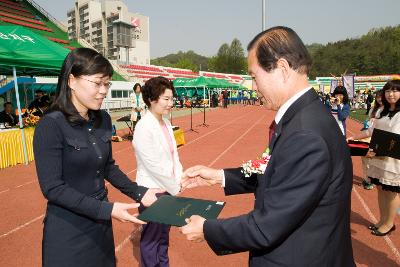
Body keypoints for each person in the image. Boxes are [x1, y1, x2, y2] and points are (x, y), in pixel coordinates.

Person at [180, 26, 355, 267]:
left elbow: (267, 226)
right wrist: (220, 177)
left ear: (282, 69)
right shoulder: (306, 116)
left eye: (254, 76)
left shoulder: (305, 133)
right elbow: (277, 173)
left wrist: (208, 230)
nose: (254, 87)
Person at [33, 48, 163, 267]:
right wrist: (107, 209)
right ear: (72, 80)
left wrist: (140, 193)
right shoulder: (51, 125)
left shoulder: (103, 118)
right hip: (68, 230)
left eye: (107, 84)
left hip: (100, 226)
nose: (104, 91)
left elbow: (108, 167)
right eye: (97, 83)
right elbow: (52, 188)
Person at [132, 76, 183, 267]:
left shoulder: (166, 123)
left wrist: (179, 177)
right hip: (152, 191)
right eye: (166, 99)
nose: (171, 103)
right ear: (152, 99)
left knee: (163, 235)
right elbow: (153, 165)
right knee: (151, 238)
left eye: (172, 99)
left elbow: (174, 155)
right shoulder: (143, 127)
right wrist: (175, 185)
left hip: (168, 188)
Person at [364, 80, 400, 236]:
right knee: (380, 189)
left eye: (395, 91)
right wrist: (357, 141)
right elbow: (372, 132)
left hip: (394, 160)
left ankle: (389, 223)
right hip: (378, 156)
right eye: (388, 91)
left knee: (391, 192)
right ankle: (382, 219)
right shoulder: (381, 111)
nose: (391, 94)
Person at [348, 90, 384, 190]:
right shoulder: (373, 109)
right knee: (365, 159)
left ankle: (375, 179)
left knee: (377, 161)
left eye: (381, 96)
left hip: (379, 140)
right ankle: (367, 179)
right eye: (378, 97)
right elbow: (369, 128)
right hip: (368, 137)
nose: (379, 99)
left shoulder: (388, 111)